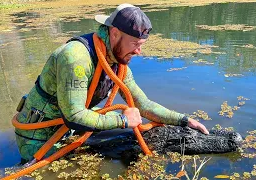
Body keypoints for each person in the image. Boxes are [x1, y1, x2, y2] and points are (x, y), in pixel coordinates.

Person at [14, 3, 209, 163]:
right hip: (38, 139)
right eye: (135, 45)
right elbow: (73, 115)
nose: (139, 52)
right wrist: (123, 121)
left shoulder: (118, 63)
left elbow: (143, 105)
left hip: (69, 131)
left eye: (141, 46)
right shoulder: (75, 58)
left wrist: (184, 120)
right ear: (114, 33)